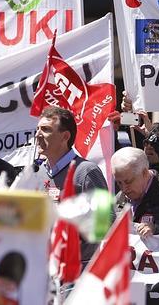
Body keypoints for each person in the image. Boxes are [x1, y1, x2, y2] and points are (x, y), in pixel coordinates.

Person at [35, 106, 107, 264]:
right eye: (38, 129)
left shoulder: (86, 171)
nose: (37, 135)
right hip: (46, 268)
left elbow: (106, 221)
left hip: (78, 272)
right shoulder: (38, 173)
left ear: (65, 136)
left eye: (45, 129)